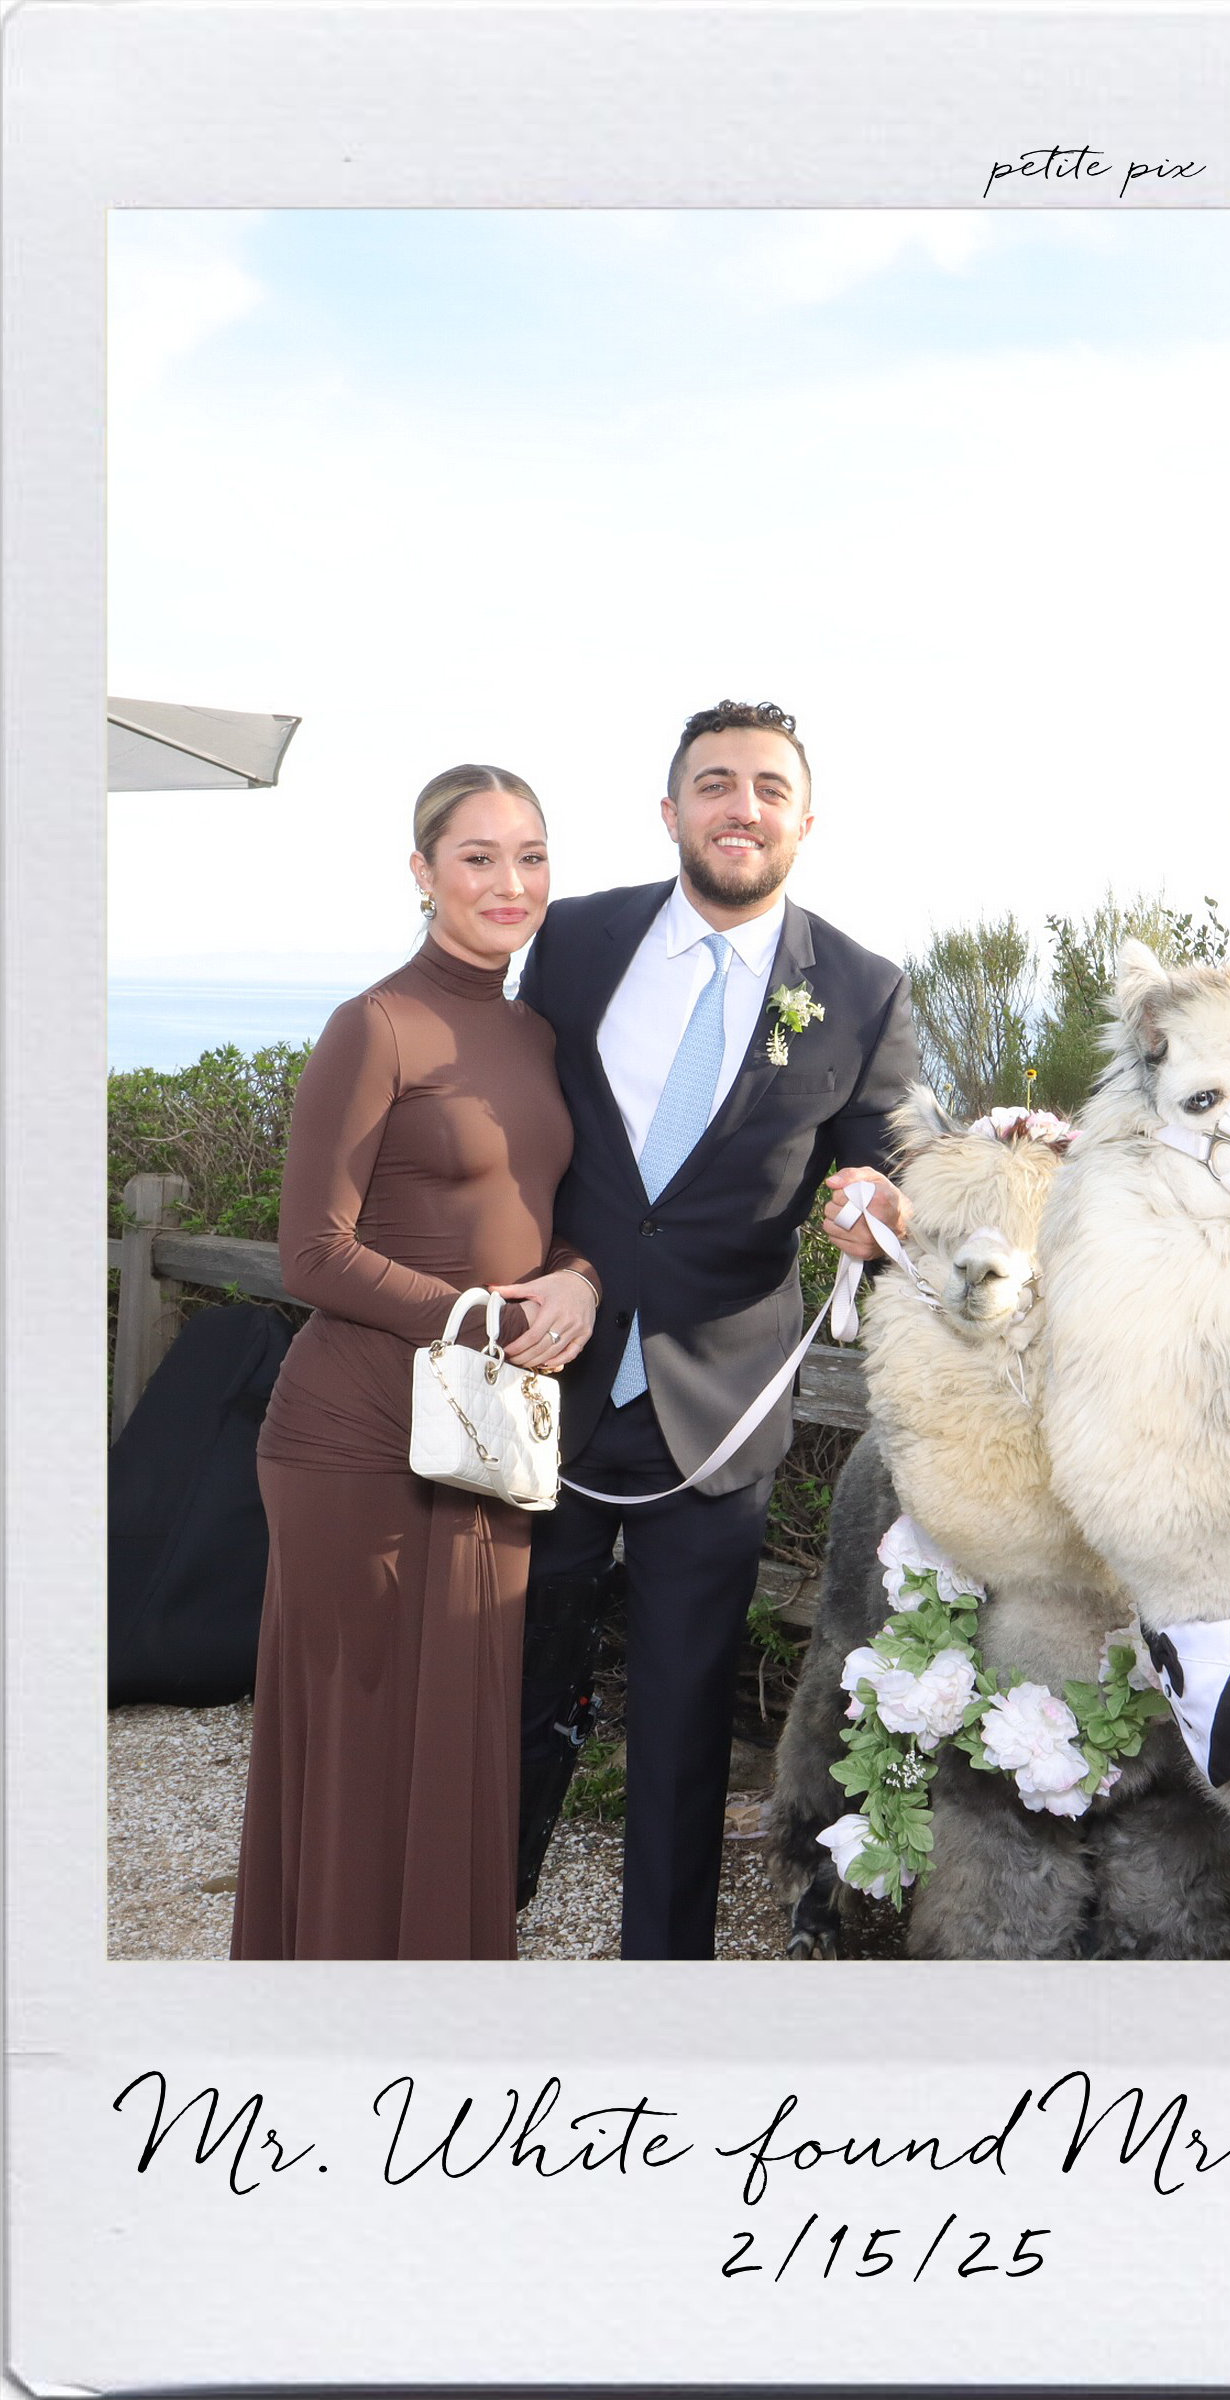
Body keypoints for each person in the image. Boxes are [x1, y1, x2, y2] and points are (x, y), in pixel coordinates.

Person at [519, 698, 919, 1959]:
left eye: (768, 788)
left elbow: (883, 1153)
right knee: (505, 1690)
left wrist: (874, 1198)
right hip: (543, 1385)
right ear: (671, 810)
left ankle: (665, 1985)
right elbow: (515, 1119)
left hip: (720, 1416)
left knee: (685, 1725)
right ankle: (474, 1932)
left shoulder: (862, 988)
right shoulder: (574, 940)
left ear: (805, 820)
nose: (741, 807)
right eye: (715, 784)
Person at [232, 765, 601, 1959]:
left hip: (486, 1438)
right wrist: (478, 1319)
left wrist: (579, 1279)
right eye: (478, 857)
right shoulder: (376, 1024)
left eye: (530, 856)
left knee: (463, 1743)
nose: (509, 882)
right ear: (422, 873)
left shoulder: (536, 1034)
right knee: (361, 1750)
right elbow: (312, 1251)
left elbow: (547, 1215)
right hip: (355, 1441)